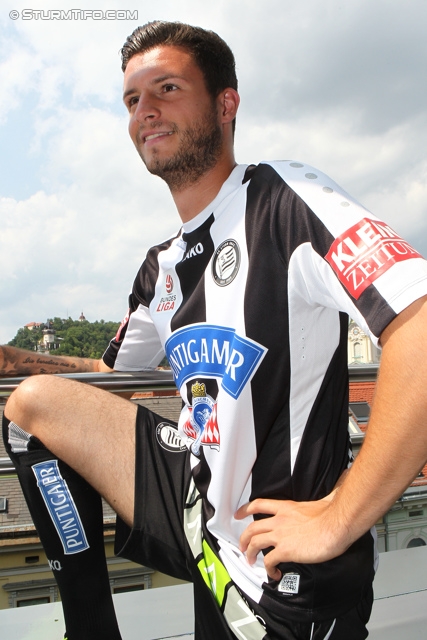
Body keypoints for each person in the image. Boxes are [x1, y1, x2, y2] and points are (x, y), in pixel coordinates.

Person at [3, 20, 427, 640]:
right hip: (201, 520)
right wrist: (17, 362)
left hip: (280, 570)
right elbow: (109, 378)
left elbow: (417, 319)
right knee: (31, 410)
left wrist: (339, 516)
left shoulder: (285, 203)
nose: (144, 112)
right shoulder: (162, 267)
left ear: (225, 104)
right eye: (132, 100)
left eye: (167, 89)